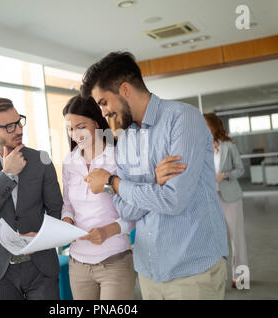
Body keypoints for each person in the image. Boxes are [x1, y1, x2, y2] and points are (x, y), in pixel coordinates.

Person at [81, 51, 229, 300]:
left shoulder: (183, 119)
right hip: (149, 273)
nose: (104, 112)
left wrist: (113, 182)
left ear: (125, 89)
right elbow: (126, 211)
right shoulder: (126, 139)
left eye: (104, 102)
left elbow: (173, 200)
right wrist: (152, 183)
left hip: (192, 272)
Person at [0, 97, 63, 300]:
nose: (18, 130)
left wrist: (43, 237)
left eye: (18, 121)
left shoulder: (40, 160)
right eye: (9, 126)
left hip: (40, 264)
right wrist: (6, 175)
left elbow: (55, 208)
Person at [60, 94, 136, 300]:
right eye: (70, 128)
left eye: (81, 126)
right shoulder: (69, 162)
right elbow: (67, 204)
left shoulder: (119, 157)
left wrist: (108, 231)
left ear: (96, 121)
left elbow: (136, 209)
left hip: (114, 259)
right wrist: (66, 221)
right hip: (78, 262)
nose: (75, 134)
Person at [204, 113, 249, 289]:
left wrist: (225, 175)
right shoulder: (202, 146)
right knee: (214, 239)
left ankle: (241, 278)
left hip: (230, 197)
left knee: (237, 238)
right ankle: (217, 278)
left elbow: (240, 169)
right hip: (210, 198)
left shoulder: (229, 146)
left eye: (206, 125)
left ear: (214, 126)